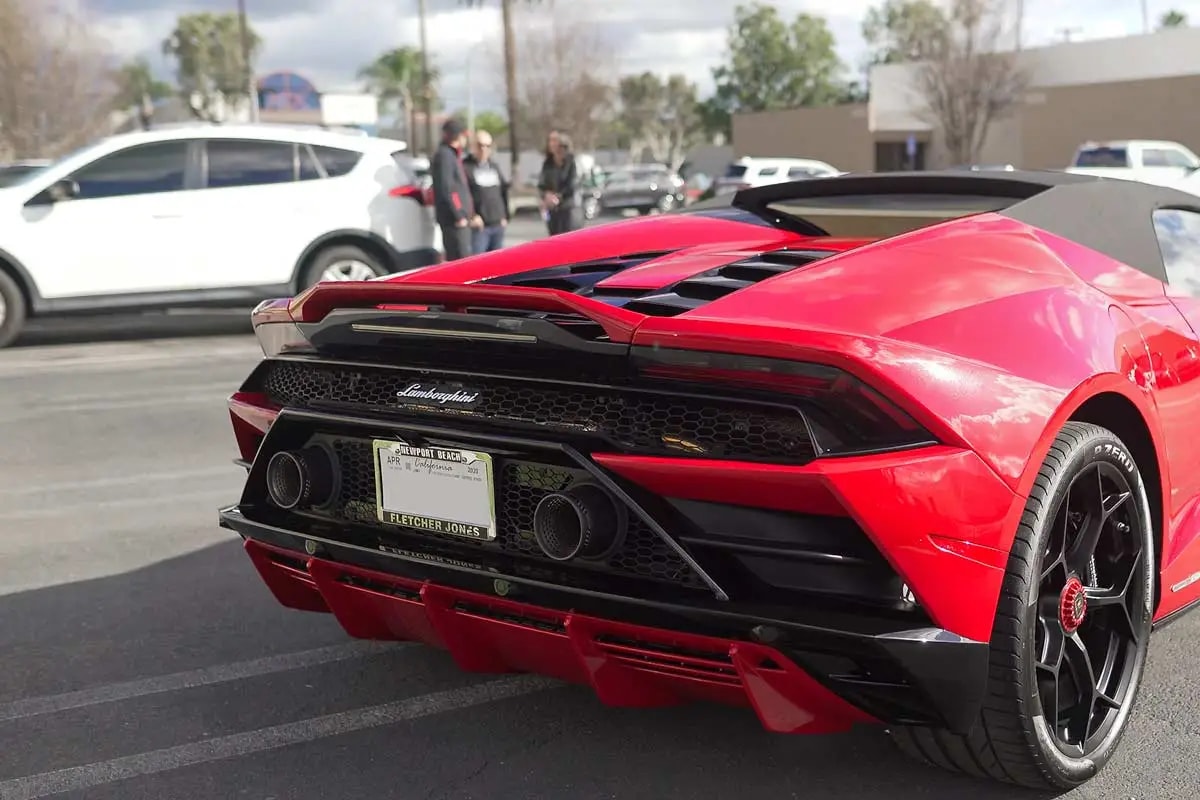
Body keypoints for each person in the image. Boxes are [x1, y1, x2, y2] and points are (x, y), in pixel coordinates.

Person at [430, 118, 474, 261]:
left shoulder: (452, 155)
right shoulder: (445, 156)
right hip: (454, 221)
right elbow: (447, 188)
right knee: (460, 260)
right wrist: (458, 214)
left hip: (459, 219)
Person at [463, 129, 510, 254]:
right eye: (480, 145)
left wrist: (505, 216)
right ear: (473, 146)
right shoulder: (465, 167)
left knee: (498, 268)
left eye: (487, 146)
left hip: (497, 225)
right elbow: (463, 194)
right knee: (477, 268)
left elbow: (503, 192)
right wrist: (472, 215)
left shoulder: (494, 167)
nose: (484, 149)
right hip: (479, 227)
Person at [537, 131, 578, 236]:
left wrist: (558, 197)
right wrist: (546, 195)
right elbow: (541, 184)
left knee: (568, 238)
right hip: (551, 208)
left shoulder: (570, 162)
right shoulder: (547, 163)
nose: (551, 143)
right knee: (553, 238)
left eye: (554, 140)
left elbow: (572, 184)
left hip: (567, 208)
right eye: (549, 141)